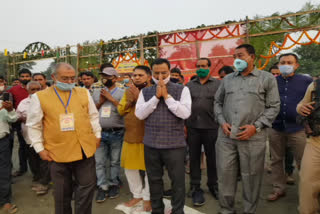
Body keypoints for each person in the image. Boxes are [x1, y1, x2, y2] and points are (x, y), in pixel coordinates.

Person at [26, 63, 101, 214]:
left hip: (84, 150)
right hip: (57, 153)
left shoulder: (83, 92)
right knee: (61, 194)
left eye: (72, 78)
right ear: (53, 77)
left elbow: (93, 116)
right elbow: (33, 125)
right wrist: (40, 149)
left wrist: (97, 135)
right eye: (64, 78)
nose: (69, 82)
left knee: (86, 190)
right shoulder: (39, 97)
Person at [214, 44, 280, 214]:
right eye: (235, 56)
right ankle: (226, 210)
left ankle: (249, 210)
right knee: (225, 175)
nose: (237, 59)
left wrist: (256, 127)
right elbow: (217, 103)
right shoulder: (227, 79)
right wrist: (222, 121)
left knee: (251, 177)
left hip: (252, 138)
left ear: (252, 57)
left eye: (241, 55)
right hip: (226, 137)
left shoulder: (266, 78)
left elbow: (273, 106)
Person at [135, 58, 192, 214]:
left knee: (178, 181)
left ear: (169, 72)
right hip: (151, 145)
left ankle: (177, 210)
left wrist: (167, 97)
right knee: (154, 180)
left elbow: (185, 113)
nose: (160, 76)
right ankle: (157, 210)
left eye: (164, 73)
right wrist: (155, 98)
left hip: (175, 145)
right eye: (156, 73)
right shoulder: (145, 92)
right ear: (151, 74)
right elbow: (139, 114)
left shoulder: (182, 89)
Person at [267, 53, 312, 202]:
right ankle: (278, 188)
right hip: (276, 126)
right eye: (283, 62)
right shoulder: (272, 82)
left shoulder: (306, 81)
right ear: (278, 65)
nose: (286, 64)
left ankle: (306, 193)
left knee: (303, 162)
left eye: (289, 62)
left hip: (298, 128)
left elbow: (314, 99)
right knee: (276, 160)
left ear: (296, 65)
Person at [186, 58, 220, 206]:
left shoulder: (218, 84)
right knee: (193, 159)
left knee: (212, 159)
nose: (201, 68)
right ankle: (195, 186)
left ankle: (213, 185)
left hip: (212, 127)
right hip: (193, 127)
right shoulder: (188, 86)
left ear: (209, 68)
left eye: (204, 66)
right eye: (198, 66)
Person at [117, 65, 152, 211]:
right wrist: (131, 101)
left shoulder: (154, 91)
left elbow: (152, 111)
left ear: (149, 77)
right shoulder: (128, 91)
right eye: (134, 75)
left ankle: (147, 197)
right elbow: (120, 110)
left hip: (149, 136)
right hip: (131, 134)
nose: (136, 77)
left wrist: (139, 99)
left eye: (140, 75)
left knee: (150, 169)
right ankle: (137, 194)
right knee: (130, 168)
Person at [92, 67, 125, 202]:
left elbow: (125, 111)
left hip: (116, 133)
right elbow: (91, 111)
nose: (105, 78)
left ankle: (113, 184)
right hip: (99, 133)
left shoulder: (123, 93)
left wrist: (111, 99)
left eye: (108, 76)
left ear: (115, 78)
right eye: (103, 76)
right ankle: (102, 186)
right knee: (99, 162)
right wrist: (100, 100)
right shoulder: (95, 92)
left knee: (115, 161)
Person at [16, 81, 50, 195]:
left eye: (38, 89)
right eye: (33, 89)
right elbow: (16, 116)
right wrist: (23, 119)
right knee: (33, 159)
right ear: (27, 90)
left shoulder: (46, 101)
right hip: (28, 136)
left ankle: (44, 182)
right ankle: (37, 178)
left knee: (44, 160)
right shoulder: (23, 103)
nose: (35, 92)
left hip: (44, 136)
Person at [296, 79, 320, 214]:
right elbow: (301, 105)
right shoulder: (316, 85)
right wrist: (301, 108)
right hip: (316, 142)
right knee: (307, 185)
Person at [8, 68, 32, 177]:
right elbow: (10, 106)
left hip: (37, 122)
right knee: (22, 146)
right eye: (22, 76)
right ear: (19, 78)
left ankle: (40, 172)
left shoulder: (35, 88)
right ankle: (22, 168)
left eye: (27, 76)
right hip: (20, 122)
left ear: (30, 77)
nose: (25, 78)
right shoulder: (13, 90)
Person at [0, 99, 18, 214]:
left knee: (3, 171)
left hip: (2, 142)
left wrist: (10, 110)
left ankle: (5, 201)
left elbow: (13, 119)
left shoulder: (2, 104)